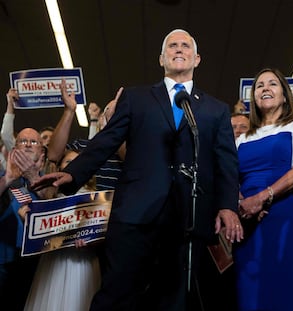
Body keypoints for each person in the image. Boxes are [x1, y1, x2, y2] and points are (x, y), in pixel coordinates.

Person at [31, 29, 243, 311]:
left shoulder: (216, 110)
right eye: (172, 46)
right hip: (135, 213)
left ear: (197, 58)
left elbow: (226, 162)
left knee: (173, 298)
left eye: (185, 46)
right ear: (161, 58)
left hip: (187, 219)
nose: (178, 50)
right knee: (117, 293)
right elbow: (107, 140)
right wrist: (74, 173)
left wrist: (227, 206)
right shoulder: (136, 98)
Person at [234, 68, 293, 311]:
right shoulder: (242, 138)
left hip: (284, 214)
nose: (265, 88)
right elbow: (231, 177)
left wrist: (262, 198)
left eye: (272, 84)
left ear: (284, 95)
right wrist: (242, 203)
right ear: (254, 97)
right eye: (259, 85)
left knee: (286, 283)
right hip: (247, 219)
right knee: (249, 287)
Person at [24, 149, 101, 311]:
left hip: (82, 263)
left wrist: (92, 243)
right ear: (60, 169)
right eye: (68, 162)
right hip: (53, 262)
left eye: (77, 162)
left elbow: (102, 234)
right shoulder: (50, 199)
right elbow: (38, 231)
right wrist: (28, 219)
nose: (73, 165)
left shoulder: (97, 199)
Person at [0, 128, 49, 310]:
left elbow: (52, 200)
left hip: (35, 263)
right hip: (2, 260)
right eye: (22, 141)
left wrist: (33, 177)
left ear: (41, 153)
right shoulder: (2, 177)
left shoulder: (51, 181)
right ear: (14, 149)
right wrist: (8, 178)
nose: (28, 144)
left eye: (34, 142)